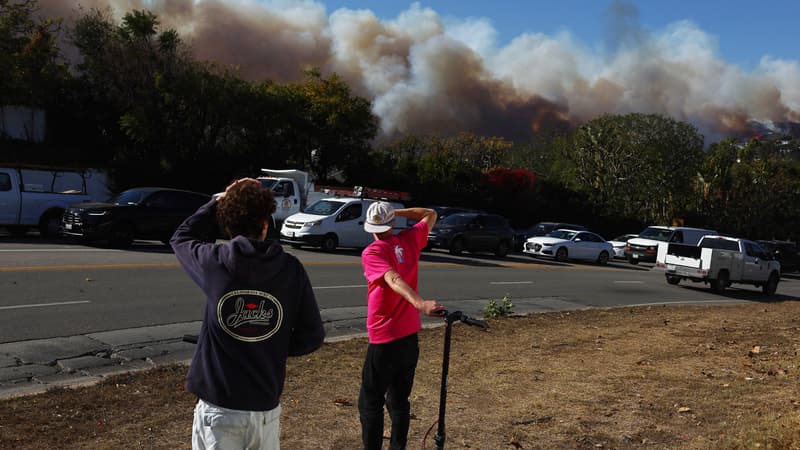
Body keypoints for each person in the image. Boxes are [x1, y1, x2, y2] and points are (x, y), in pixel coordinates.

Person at [170, 178, 325, 450]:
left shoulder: (215, 261)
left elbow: (181, 237)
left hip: (219, 409)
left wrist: (217, 200)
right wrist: (270, 346)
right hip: (265, 410)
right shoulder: (291, 269)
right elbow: (312, 336)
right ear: (266, 223)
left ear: (227, 224)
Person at [358, 201, 444, 449]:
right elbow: (431, 212)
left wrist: (420, 303)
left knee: (370, 401)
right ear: (391, 223)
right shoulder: (409, 240)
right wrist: (396, 212)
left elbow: (392, 278)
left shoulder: (373, 252)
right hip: (409, 335)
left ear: (370, 227)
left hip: (385, 336)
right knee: (399, 401)